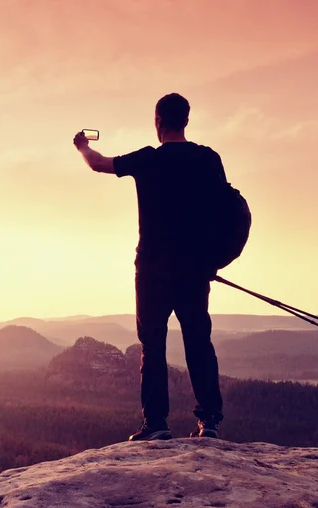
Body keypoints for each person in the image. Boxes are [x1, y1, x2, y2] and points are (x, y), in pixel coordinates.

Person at [73, 93, 226, 440]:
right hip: (193, 270)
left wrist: (82, 146)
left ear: (158, 121)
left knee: (152, 344)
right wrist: (213, 257)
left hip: (153, 270)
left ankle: (156, 424)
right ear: (186, 121)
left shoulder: (146, 160)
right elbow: (223, 210)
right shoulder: (207, 160)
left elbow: (99, 163)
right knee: (198, 341)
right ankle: (210, 421)